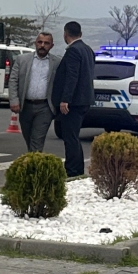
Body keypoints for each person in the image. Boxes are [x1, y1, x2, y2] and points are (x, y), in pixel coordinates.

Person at [50, 20, 95, 177]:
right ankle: (76, 168)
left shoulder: (73, 51)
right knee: (73, 136)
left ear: (65, 34)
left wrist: (65, 99)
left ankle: (73, 170)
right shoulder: (88, 50)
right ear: (80, 33)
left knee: (70, 137)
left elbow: (72, 76)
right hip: (84, 100)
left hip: (74, 102)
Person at [6, 32, 60, 153]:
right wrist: (14, 100)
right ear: (35, 43)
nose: (42, 45)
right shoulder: (22, 60)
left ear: (51, 46)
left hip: (45, 108)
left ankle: (34, 161)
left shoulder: (57, 62)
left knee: (37, 140)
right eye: (40, 42)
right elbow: (13, 80)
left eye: (46, 43)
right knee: (28, 137)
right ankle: (33, 158)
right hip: (25, 106)